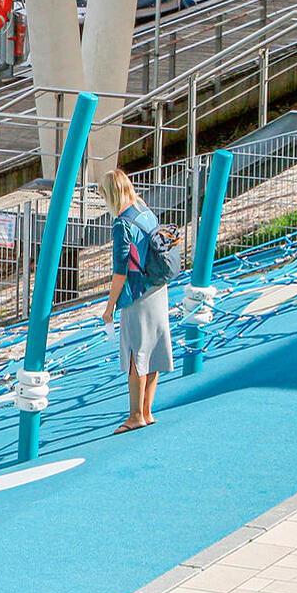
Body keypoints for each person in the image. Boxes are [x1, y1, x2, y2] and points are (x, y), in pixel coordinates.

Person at [99, 168, 178, 434]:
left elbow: (120, 270)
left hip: (138, 292)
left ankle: (135, 415)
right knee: (153, 349)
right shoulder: (145, 211)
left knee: (136, 353)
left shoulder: (122, 224)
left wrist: (110, 306)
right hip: (158, 286)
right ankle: (147, 410)